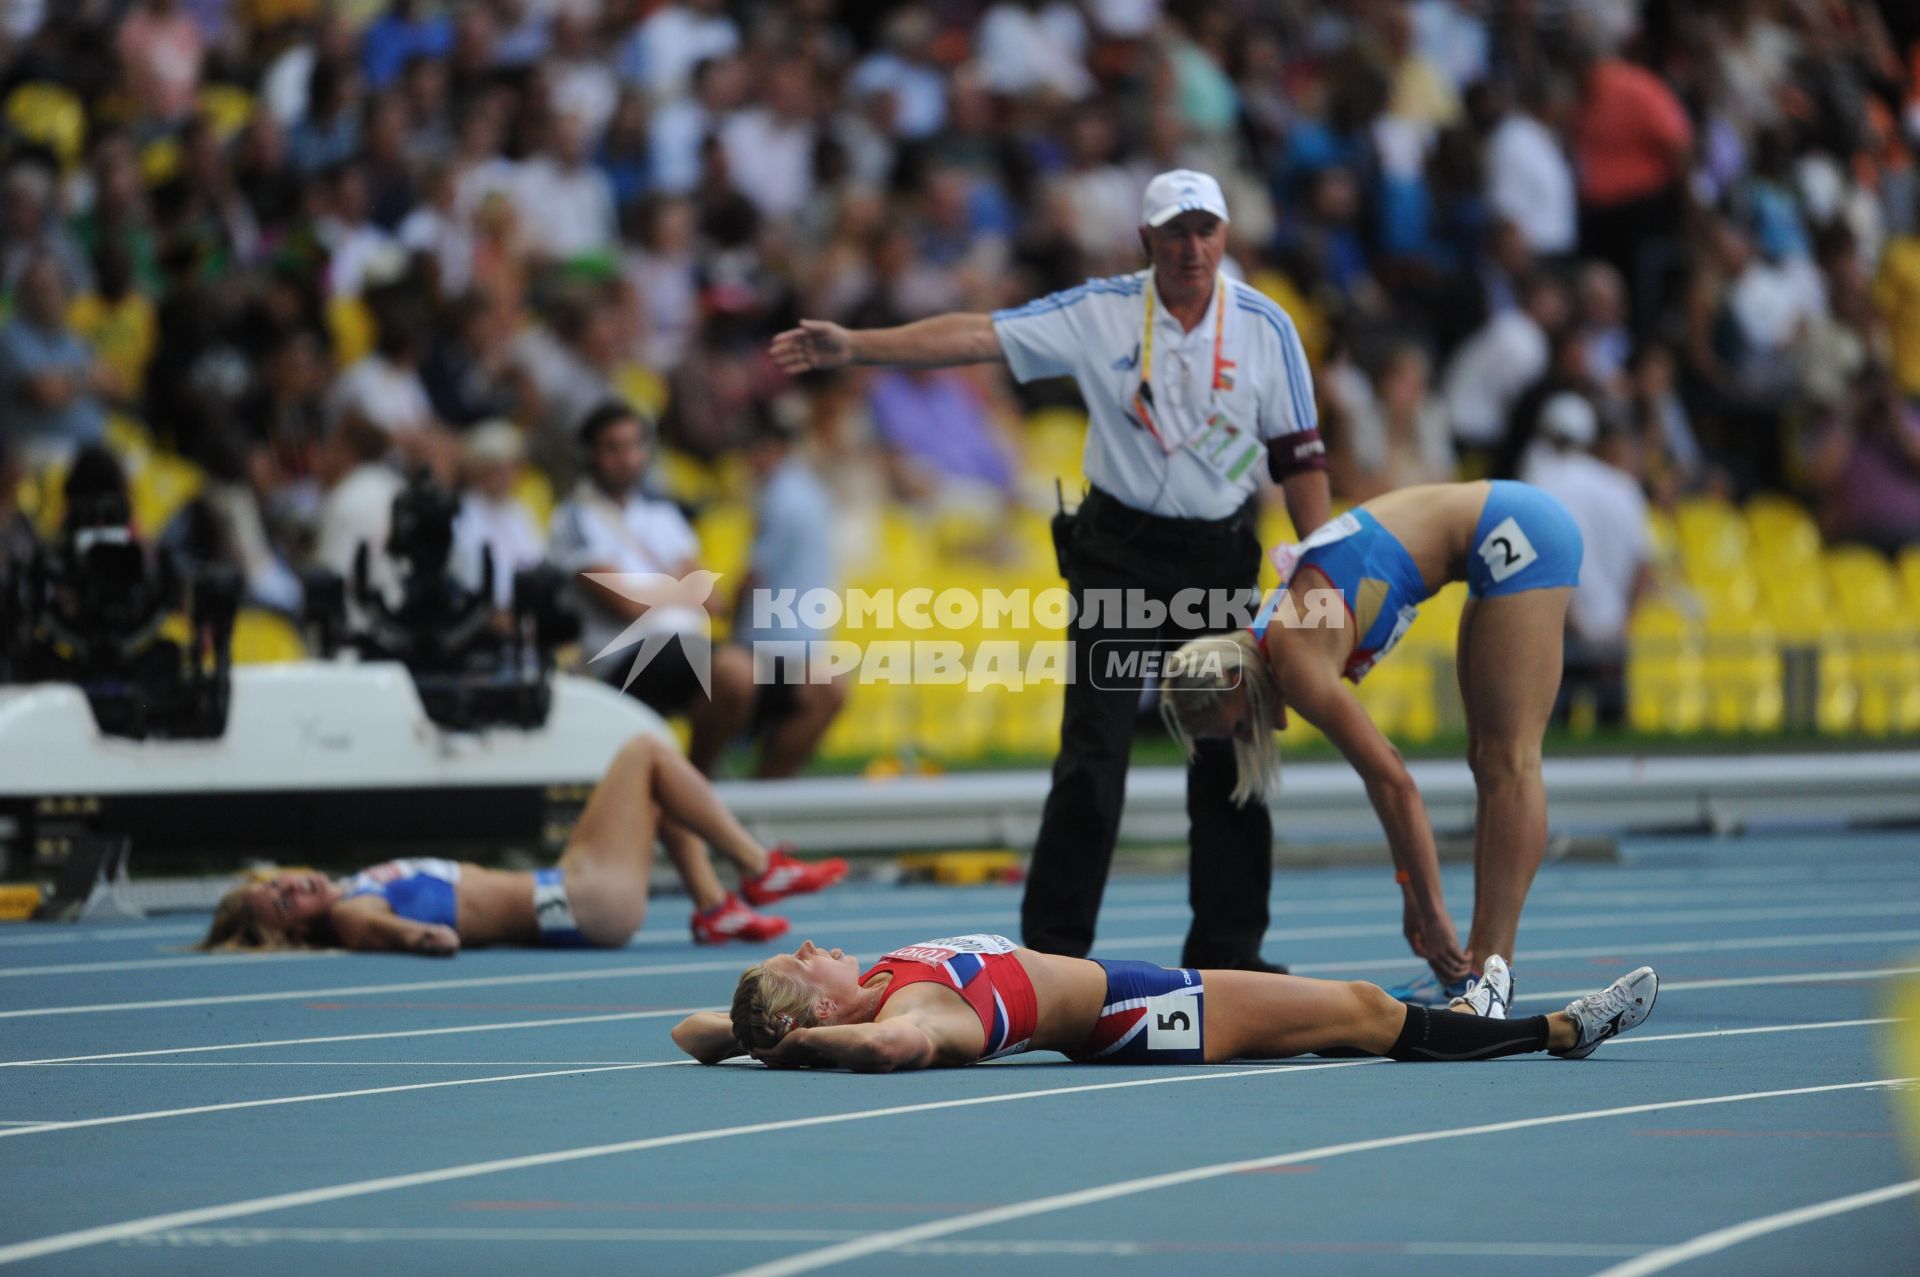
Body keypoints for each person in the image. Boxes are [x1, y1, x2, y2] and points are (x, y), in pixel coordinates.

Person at [771, 169, 1331, 974]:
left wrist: (1319, 572)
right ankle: (1053, 955)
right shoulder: (1100, 309)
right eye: (1175, 231)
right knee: (1093, 755)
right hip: (1118, 555)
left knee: (1231, 751)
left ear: (1227, 236)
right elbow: (977, 336)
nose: (1191, 247)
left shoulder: (1267, 326)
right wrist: (858, 348)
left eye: (1205, 229)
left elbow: (1300, 455)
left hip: (1218, 554)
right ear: (1145, 242)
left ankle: (1231, 951)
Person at [1156, 479, 1582, 1005]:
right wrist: (1412, 891)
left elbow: (1393, 782)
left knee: (1510, 761)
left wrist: (1428, 910)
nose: (1255, 734)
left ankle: (1489, 975)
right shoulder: (1273, 632)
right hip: (1501, 532)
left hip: (1520, 534)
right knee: (1488, 761)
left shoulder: (1294, 658)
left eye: (1239, 725)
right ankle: (1473, 968)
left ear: (1229, 682)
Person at [201, 735, 848, 954]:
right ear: (294, 932)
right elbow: (407, 934)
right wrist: (421, 939)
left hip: (566, 887)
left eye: (278, 882)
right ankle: (759, 868)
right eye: (283, 904)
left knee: (655, 784)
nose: (292, 886)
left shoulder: (350, 892)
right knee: (646, 751)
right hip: (580, 902)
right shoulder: (351, 914)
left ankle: (717, 906)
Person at [673, 934, 1658, 1071]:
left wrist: (756, 1034)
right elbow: (896, 1053)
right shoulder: (917, 1016)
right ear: (821, 1014)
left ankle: (1470, 1011)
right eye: (804, 959)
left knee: (1339, 1012)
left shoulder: (873, 988)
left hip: (1132, 985)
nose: (810, 942)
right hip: (1136, 1014)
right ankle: (1558, 1028)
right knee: (1357, 1013)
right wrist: (808, 1042)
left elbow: (692, 1027)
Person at [548, 400, 757, 775]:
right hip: (624, 658)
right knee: (734, 672)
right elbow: (626, 604)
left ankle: (700, 784)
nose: (626, 458)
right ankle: (699, 780)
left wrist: (656, 592)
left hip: (683, 649)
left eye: (633, 445)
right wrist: (680, 588)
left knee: (804, 682)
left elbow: (713, 600)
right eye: (613, 448)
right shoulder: (574, 518)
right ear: (590, 455)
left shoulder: (663, 515)